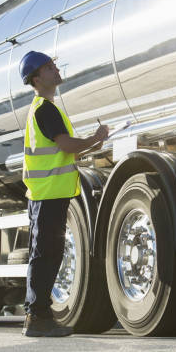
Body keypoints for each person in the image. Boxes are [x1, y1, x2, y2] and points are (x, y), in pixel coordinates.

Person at [19, 50, 109, 337]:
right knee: (45, 254)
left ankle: (39, 316)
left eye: (54, 65)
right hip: (46, 194)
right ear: (36, 78)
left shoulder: (47, 108)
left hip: (49, 195)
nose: (55, 70)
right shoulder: (44, 109)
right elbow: (67, 145)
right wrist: (93, 139)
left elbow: (65, 150)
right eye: (48, 67)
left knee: (48, 253)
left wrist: (95, 143)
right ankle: (37, 318)